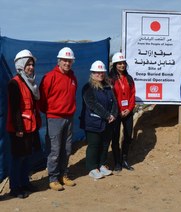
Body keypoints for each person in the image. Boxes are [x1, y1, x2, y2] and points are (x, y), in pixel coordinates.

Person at [39, 47, 77, 191]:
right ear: (59, 61)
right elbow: (42, 100)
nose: (67, 63)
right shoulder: (50, 77)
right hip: (54, 118)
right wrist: (51, 112)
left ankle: (63, 175)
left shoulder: (72, 77)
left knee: (67, 149)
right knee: (54, 149)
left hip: (69, 117)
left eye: (69, 61)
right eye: (64, 61)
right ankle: (53, 178)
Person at [6, 50, 41, 198]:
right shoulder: (15, 83)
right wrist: (19, 129)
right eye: (28, 65)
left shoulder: (30, 82)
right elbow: (14, 109)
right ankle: (15, 188)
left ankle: (25, 183)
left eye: (32, 64)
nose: (31, 67)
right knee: (18, 158)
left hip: (30, 126)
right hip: (19, 129)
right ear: (21, 66)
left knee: (27, 157)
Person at [80, 61, 118, 179]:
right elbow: (93, 104)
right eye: (97, 72)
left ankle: (102, 164)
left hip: (108, 122)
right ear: (92, 73)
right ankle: (92, 167)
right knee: (94, 145)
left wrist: (113, 115)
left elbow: (114, 102)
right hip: (93, 123)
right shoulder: (88, 87)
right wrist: (107, 115)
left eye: (101, 72)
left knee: (105, 144)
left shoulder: (108, 86)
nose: (100, 74)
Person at [109, 52, 136, 172]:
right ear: (115, 65)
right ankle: (117, 162)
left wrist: (128, 109)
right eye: (119, 63)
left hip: (127, 112)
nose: (122, 65)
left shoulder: (129, 79)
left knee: (128, 135)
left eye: (123, 63)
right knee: (115, 137)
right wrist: (118, 110)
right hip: (116, 112)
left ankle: (124, 159)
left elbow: (132, 95)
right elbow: (111, 97)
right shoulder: (110, 79)